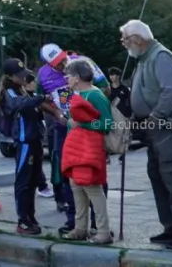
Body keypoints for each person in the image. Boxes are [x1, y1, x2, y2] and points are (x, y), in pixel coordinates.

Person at [122, 19, 172, 250]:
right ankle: (171, 228)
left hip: (167, 126)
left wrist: (155, 117)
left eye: (125, 39)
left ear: (137, 38)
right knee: (158, 177)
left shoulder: (160, 56)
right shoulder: (145, 58)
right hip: (154, 127)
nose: (123, 44)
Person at [35, 43, 105, 229]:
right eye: (57, 64)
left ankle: (98, 224)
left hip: (89, 131)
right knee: (68, 172)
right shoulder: (42, 75)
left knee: (93, 172)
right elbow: (40, 99)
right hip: (63, 129)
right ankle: (73, 220)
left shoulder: (83, 63)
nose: (63, 65)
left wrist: (89, 110)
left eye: (63, 60)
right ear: (48, 64)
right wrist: (57, 114)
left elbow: (104, 88)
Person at [60, 59, 112, 244]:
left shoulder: (95, 95)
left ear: (76, 77)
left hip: (88, 149)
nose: (66, 79)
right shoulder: (81, 94)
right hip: (77, 148)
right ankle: (80, 228)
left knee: (92, 189)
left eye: (68, 76)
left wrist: (81, 124)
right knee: (77, 188)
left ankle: (103, 231)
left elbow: (107, 124)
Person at [0, 58, 48, 235]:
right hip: (25, 142)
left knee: (34, 181)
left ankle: (30, 216)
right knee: (23, 183)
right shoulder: (10, 92)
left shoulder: (22, 90)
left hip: (35, 141)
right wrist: (39, 97)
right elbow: (20, 105)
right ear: (10, 76)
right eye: (19, 76)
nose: (23, 78)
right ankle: (22, 221)